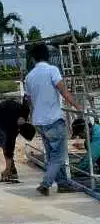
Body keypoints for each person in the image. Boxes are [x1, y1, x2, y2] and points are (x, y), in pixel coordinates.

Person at [23, 42, 81, 195]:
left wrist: (29, 118)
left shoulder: (29, 77)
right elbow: (63, 91)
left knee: (52, 155)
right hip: (53, 119)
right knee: (59, 156)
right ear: (47, 56)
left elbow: (29, 101)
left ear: (33, 59)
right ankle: (46, 184)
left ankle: (62, 184)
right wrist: (78, 106)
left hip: (39, 122)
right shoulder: (52, 70)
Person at [0, 94, 32, 183]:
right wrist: (7, 169)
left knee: (7, 142)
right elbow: (9, 150)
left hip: (7, 112)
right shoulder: (11, 128)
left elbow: (26, 104)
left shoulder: (25, 113)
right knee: (7, 144)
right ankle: (11, 170)